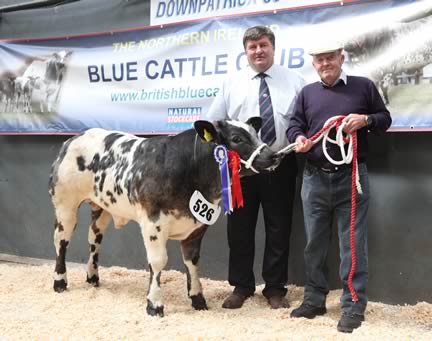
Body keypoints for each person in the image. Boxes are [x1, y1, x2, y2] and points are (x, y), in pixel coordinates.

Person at [287, 41, 392, 332]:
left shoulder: (364, 87)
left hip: (352, 176)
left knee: (353, 245)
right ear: (313, 63)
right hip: (314, 177)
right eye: (319, 59)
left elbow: (385, 119)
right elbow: (294, 124)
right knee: (314, 244)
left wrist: (366, 119)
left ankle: (353, 305)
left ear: (341, 58)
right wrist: (298, 138)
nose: (325, 63)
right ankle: (314, 299)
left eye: (330, 57)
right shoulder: (307, 93)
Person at [205, 25, 305, 310]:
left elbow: (301, 123)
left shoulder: (295, 81)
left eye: (263, 45)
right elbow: (215, 124)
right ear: (246, 51)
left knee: (278, 228)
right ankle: (241, 286)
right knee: (239, 229)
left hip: (279, 165)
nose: (258, 51)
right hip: (241, 172)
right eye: (252, 47)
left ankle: (275, 289)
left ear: (273, 47)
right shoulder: (231, 83)